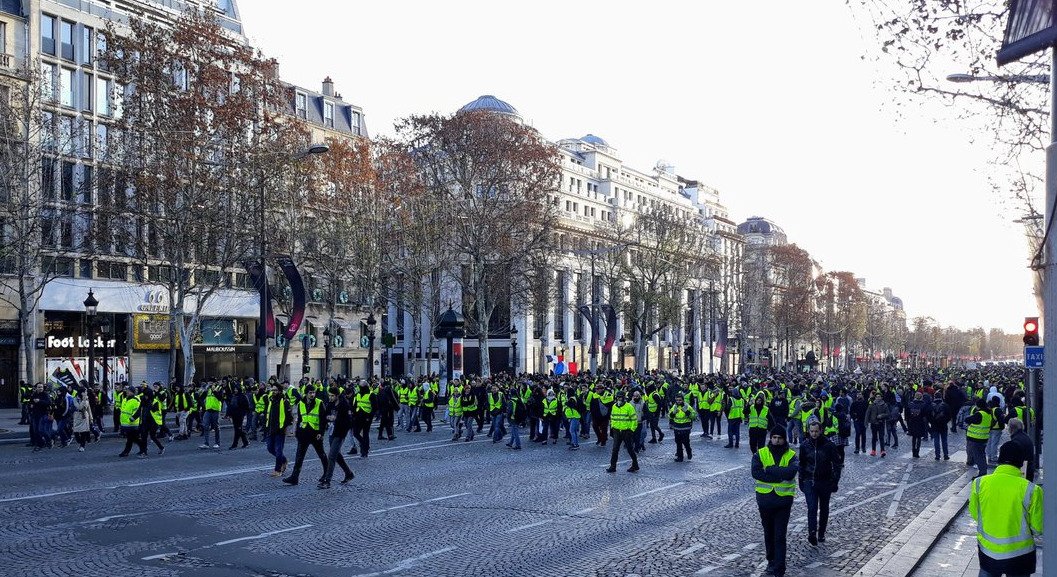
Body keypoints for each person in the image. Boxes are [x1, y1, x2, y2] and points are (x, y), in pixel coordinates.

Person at [969, 441, 1043, 577]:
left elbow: (975, 514)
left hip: (988, 551)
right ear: (1021, 463)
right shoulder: (1032, 489)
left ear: (999, 459)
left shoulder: (979, 483)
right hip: (1020, 554)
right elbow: (1038, 527)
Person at [752, 428, 798, 577]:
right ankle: (771, 560)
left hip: (783, 502)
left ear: (784, 439)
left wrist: (770, 469)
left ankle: (779, 569)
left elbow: (790, 473)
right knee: (768, 533)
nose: (777, 440)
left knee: (779, 535)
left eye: (780, 438)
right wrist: (779, 476)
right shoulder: (761, 453)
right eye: (774, 437)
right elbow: (756, 472)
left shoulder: (791, 455)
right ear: (770, 438)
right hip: (765, 500)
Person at [799, 422, 841, 546]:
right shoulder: (805, 445)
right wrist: (801, 479)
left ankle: (821, 532)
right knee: (812, 508)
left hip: (825, 481)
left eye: (816, 431)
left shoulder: (829, 445)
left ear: (821, 430)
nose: (814, 434)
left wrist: (835, 480)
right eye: (812, 431)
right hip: (809, 481)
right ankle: (812, 532)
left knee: (824, 508)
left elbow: (837, 464)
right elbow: (801, 464)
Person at [283, 387, 329, 486]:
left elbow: (323, 420)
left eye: (313, 392)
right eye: (310, 393)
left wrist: (321, 433)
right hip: (303, 434)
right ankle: (294, 477)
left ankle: (327, 474)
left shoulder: (319, 403)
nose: (312, 395)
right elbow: (300, 419)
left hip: (315, 433)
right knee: (299, 457)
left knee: (322, 455)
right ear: (306, 394)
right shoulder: (300, 403)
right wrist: (297, 432)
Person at [318, 387, 355, 489]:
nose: (330, 397)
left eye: (332, 396)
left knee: (331, 456)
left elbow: (348, 421)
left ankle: (327, 480)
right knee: (336, 455)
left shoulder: (344, 404)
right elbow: (325, 416)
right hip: (332, 432)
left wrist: (336, 419)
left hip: (340, 433)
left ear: (337, 395)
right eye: (329, 395)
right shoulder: (330, 404)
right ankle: (348, 473)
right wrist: (327, 418)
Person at [606, 391, 639, 473]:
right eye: (617, 397)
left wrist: (631, 430)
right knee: (615, 449)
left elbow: (634, 420)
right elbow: (612, 418)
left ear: (624, 398)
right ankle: (613, 466)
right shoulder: (614, 406)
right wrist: (612, 428)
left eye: (620, 397)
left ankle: (635, 465)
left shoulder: (629, 407)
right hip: (617, 431)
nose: (618, 399)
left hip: (626, 431)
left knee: (630, 449)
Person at [264, 383, 291, 477]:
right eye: (272, 390)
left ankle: (278, 470)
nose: (273, 392)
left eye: (275, 390)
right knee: (270, 448)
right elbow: (268, 414)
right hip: (270, 429)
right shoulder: (271, 400)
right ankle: (284, 460)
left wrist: (284, 428)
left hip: (280, 430)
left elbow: (289, 417)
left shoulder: (284, 401)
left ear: (279, 391)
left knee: (278, 450)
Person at [965, 398, 992, 478]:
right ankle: (983, 470)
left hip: (976, 438)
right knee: (982, 455)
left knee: (978, 456)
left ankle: (982, 473)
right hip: (983, 437)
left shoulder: (979, 414)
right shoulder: (988, 413)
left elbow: (968, 419)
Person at [117, 387, 147, 458]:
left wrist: (131, 419)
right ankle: (143, 448)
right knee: (134, 438)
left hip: (132, 424)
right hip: (125, 423)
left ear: (133, 392)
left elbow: (137, 412)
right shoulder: (125, 399)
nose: (127, 392)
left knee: (130, 439)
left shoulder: (136, 400)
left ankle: (126, 452)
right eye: (127, 391)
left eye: (129, 391)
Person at [668, 393, 697, 462]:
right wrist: (673, 413)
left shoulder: (687, 406)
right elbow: (669, 415)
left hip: (685, 427)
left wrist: (686, 411)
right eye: (677, 400)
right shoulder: (674, 406)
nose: (678, 402)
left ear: (683, 400)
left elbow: (693, 416)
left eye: (680, 400)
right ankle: (680, 457)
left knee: (686, 442)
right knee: (678, 442)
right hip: (677, 427)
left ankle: (689, 452)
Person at [1006, 418, 1035, 483]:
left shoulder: (1016, 440)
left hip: (1022, 471)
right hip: (1029, 469)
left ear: (1011, 428)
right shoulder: (1024, 436)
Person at [906, 391, 930, 459]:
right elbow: (926, 414)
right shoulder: (924, 404)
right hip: (920, 422)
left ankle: (913, 451)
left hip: (912, 422)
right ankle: (917, 452)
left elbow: (907, 414)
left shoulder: (910, 404)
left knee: (914, 437)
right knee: (919, 437)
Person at [928, 393, 951, 461]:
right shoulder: (945, 405)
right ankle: (946, 455)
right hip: (943, 425)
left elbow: (928, 416)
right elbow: (949, 416)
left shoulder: (931, 406)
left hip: (934, 425)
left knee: (936, 440)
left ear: (934, 397)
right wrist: (945, 421)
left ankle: (937, 455)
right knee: (944, 441)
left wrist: (932, 422)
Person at [865, 392, 888, 457]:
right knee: (874, 438)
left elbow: (888, 414)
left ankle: (882, 450)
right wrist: (866, 422)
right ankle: (873, 450)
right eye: (877, 397)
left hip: (881, 423)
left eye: (879, 397)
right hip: (873, 423)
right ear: (875, 397)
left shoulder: (884, 405)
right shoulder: (871, 405)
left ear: (881, 397)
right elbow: (867, 414)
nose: (878, 398)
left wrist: (881, 415)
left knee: (881, 437)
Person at [71, 387, 94, 452]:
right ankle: (80, 442)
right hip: (77, 416)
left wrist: (91, 418)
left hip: (85, 416)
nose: (86, 393)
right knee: (76, 432)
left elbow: (88, 408)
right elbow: (79, 407)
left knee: (83, 432)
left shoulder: (87, 399)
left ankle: (82, 445)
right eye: (85, 392)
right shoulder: (75, 399)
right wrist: (83, 401)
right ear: (81, 393)